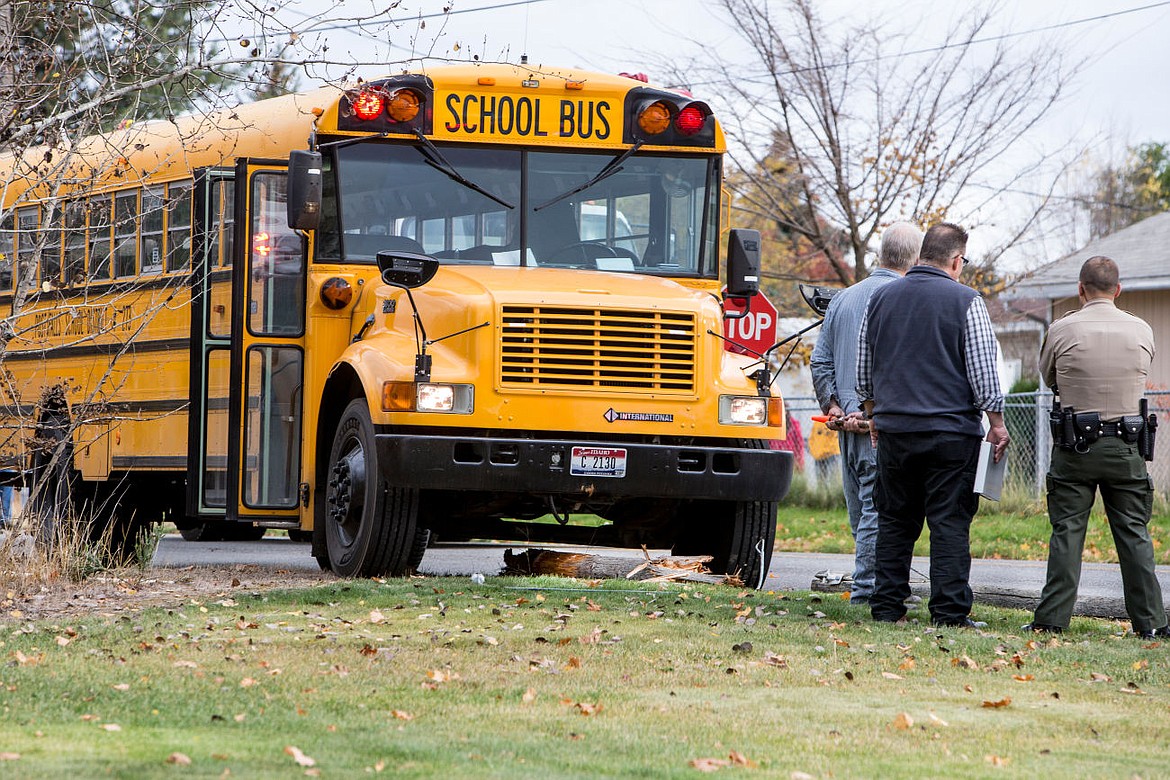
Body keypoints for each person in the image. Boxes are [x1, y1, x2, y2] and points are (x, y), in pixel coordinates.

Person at [857, 222, 1009, 627]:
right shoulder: (966, 301)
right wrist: (996, 423)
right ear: (957, 260)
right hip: (951, 434)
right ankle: (948, 613)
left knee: (894, 521)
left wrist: (873, 415)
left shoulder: (881, 298)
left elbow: (863, 368)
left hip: (895, 432)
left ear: (923, 253)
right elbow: (983, 372)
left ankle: (887, 608)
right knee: (949, 523)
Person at [1025, 257, 1168, 639]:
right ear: (1118, 290)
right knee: (1134, 532)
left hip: (1076, 448)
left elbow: (1048, 375)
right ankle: (1151, 623)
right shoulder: (1141, 329)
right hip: (1127, 446)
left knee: (1067, 532)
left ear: (1080, 288)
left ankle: (1051, 620)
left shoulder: (1062, 327)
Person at [810, 221, 922, 604]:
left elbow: (820, 360)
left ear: (881, 254)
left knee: (862, 513)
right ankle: (869, 592)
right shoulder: (904, 299)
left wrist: (834, 405)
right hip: (880, 426)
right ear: (917, 258)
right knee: (879, 513)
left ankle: (885, 586)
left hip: (845, 427)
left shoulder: (842, 299)